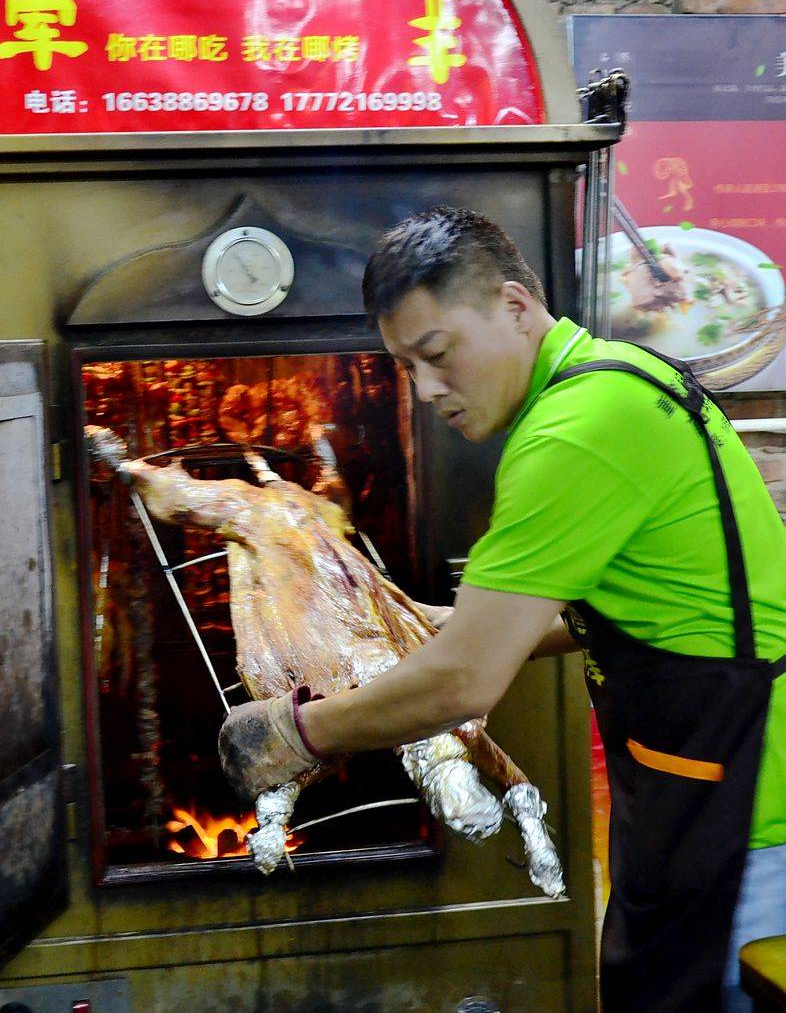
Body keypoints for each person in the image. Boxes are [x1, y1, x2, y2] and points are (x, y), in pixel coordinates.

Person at [220, 205, 786, 1013]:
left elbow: (460, 688)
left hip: (749, 819)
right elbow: (632, 607)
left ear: (516, 307)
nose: (425, 391)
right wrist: (446, 619)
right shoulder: (622, 376)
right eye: (406, 368)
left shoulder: (572, 435)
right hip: (702, 791)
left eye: (438, 354)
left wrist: (297, 731)